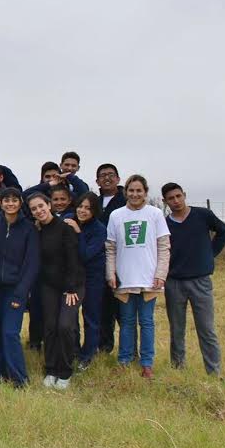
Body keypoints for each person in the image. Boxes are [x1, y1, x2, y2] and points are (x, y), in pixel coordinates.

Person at [106, 175, 170, 378]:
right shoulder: (116, 215)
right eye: (131, 190)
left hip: (149, 279)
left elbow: (164, 247)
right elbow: (110, 248)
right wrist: (111, 273)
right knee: (126, 322)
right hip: (125, 279)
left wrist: (161, 274)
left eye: (139, 190)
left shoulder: (155, 214)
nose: (135, 194)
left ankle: (147, 363)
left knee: (147, 322)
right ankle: (124, 360)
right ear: (125, 192)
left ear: (145, 192)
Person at [162, 182, 225, 376]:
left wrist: (210, 253)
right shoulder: (165, 223)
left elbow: (224, 231)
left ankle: (214, 372)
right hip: (174, 281)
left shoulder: (202, 215)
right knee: (177, 329)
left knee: (206, 329)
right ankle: (178, 369)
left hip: (200, 281)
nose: (176, 201)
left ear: (184, 195)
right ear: (165, 201)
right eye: (171, 198)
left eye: (178, 196)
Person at [29, 192, 84, 389]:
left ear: (49, 205)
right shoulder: (36, 231)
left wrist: (70, 288)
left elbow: (72, 260)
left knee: (65, 326)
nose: (38, 211)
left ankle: (66, 371)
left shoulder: (65, 228)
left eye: (41, 206)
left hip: (72, 285)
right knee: (50, 327)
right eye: (34, 209)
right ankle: (51, 369)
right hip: (48, 285)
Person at [0, 188, 38, 386]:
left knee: (10, 333)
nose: (10, 204)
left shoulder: (29, 229)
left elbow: (31, 264)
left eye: (14, 200)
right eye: (6, 200)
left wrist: (20, 293)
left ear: (20, 202)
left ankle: (19, 378)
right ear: (0, 203)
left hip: (16, 290)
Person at [64, 192, 106, 368]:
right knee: (70, 317)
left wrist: (78, 231)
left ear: (94, 210)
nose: (82, 210)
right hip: (71, 278)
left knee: (91, 317)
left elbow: (85, 255)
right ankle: (73, 351)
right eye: (80, 206)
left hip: (92, 277)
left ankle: (87, 355)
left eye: (88, 208)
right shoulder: (68, 219)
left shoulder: (99, 229)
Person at [95, 162, 127, 354]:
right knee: (103, 308)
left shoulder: (126, 200)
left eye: (111, 174)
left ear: (118, 178)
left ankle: (129, 350)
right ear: (97, 180)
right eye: (103, 175)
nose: (107, 178)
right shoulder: (95, 202)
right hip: (99, 261)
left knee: (124, 311)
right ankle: (104, 347)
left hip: (122, 261)